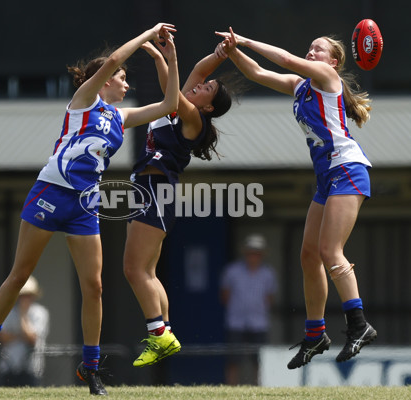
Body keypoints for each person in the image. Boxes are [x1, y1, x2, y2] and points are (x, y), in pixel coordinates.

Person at [0, 22, 180, 396]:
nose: (126, 84)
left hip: (85, 204)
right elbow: (114, 58)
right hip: (51, 190)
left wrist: (171, 57)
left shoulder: (121, 117)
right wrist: (147, 35)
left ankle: (91, 367)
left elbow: (170, 104)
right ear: (105, 79)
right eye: (123, 78)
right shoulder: (85, 101)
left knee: (94, 286)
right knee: (20, 274)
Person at [215, 27, 377, 369]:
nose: (311, 53)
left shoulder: (326, 77)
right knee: (308, 255)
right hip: (327, 177)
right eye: (310, 48)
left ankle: (358, 325)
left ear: (333, 62)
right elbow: (257, 73)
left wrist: (244, 40)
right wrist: (232, 51)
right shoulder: (300, 86)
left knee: (330, 251)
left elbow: (285, 59)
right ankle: (316, 333)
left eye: (317, 50)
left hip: (347, 168)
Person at [123, 40, 233, 367]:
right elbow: (196, 72)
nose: (199, 85)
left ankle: (159, 336)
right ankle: (165, 332)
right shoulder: (180, 107)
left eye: (206, 89)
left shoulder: (194, 119)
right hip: (151, 189)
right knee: (147, 271)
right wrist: (162, 54)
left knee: (134, 269)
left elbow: (174, 90)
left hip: (155, 190)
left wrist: (168, 56)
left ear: (208, 107)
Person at [220, 234, 278, 385]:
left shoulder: (268, 273)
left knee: (259, 360)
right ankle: (231, 387)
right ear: (245, 253)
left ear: (262, 255)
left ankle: (258, 386)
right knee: (233, 359)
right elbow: (225, 295)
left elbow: (270, 297)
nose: (254, 256)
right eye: (251, 252)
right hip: (236, 321)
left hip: (259, 322)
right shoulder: (232, 271)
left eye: (257, 253)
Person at [0, 275, 49, 387]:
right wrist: (21, 336)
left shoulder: (40, 313)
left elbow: (32, 338)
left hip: (32, 368)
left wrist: (23, 315)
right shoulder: (9, 312)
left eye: (28, 296)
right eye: (23, 296)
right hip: (9, 366)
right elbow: (3, 337)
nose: (25, 299)